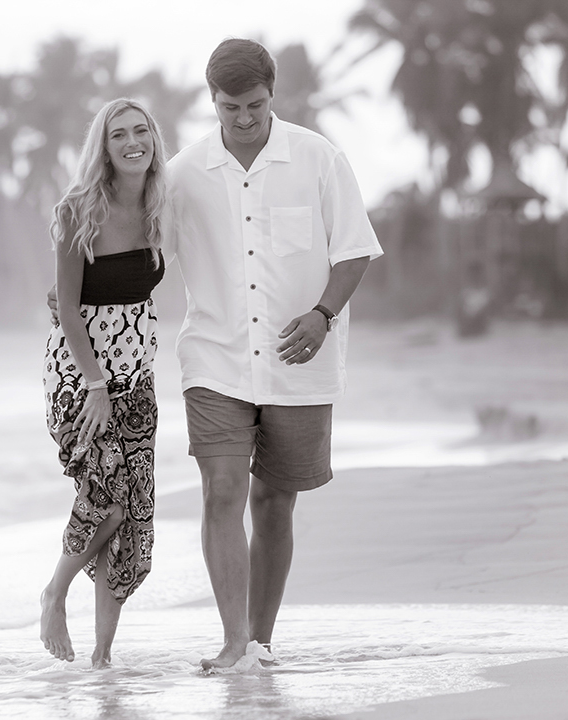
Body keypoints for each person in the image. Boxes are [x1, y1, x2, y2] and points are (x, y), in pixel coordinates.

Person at [168, 38, 383, 670]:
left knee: (273, 501)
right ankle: (233, 641)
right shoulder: (183, 174)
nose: (242, 118)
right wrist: (74, 286)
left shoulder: (318, 158)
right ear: (213, 100)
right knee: (221, 491)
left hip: (301, 362)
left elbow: (354, 250)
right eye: (229, 107)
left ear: (273, 94)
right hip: (215, 358)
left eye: (254, 105)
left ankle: (260, 639)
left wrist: (323, 314)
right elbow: (146, 257)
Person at [39, 98, 169, 669]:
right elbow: (67, 307)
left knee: (134, 521)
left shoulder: (166, 203)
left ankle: (102, 660)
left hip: (137, 373)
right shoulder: (77, 210)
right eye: (120, 134)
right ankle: (53, 594)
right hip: (80, 371)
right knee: (107, 499)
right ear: (105, 146)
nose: (133, 142)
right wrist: (93, 384)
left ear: (154, 140)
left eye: (142, 131)